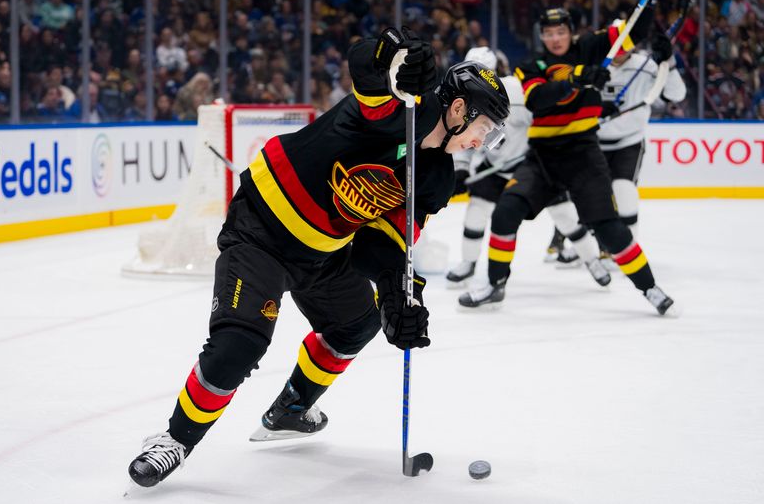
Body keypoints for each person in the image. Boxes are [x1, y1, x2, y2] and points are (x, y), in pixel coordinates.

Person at [127, 27, 510, 488]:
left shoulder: (437, 178)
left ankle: (290, 409)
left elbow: (387, 241)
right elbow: (365, 66)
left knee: (358, 323)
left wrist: (396, 296)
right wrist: (392, 51)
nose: (480, 143)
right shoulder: (399, 107)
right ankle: (173, 440)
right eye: (483, 129)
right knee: (239, 344)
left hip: (323, 252)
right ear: (457, 109)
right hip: (261, 231)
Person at [458, 6, 679, 317]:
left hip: (584, 153)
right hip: (542, 158)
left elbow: (635, 32)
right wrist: (578, 78)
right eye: (549, 33)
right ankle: (495, 285)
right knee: (506, 212)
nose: (555, 38)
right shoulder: (531, 64)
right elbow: (538, 99)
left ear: (571, 32)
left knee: (609, 228)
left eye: (561, 32)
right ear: (541, 36)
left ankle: (650, 288)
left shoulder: (591, 47)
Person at [447, 47, 610, 290]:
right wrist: (461, 169)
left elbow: (545, 118)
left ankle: (592, 260)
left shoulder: (515, 91)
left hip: (530, 167)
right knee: (476, 211)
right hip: (495, 168)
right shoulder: (462, 100)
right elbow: (463, 139)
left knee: (565, 216)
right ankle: (468, 263)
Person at [598, 31, 686, 241]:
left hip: (629, 141)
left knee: (624, 190)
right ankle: (579, 241)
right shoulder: (593, 62)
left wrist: (668, 63)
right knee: (591, 195)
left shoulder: (646, 66)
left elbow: (676, 95)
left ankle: (627, 246)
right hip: (592, 141)